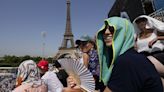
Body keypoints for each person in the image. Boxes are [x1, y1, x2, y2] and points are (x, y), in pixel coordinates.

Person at [95, 17, 163, 91]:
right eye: (104, 30)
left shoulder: (127, 61)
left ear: (125, 34)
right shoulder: (138, 37)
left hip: (155, 54)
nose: (106, 32)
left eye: (112, 29)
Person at [133, 15, 164, 87]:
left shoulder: (155, 31)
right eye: (138, 22)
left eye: (142, 21)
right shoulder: (137, 36)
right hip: (143, 58)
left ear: (146, 21)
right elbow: (136, 49)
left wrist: (157, 38)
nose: (140, 23)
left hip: (158, 55)